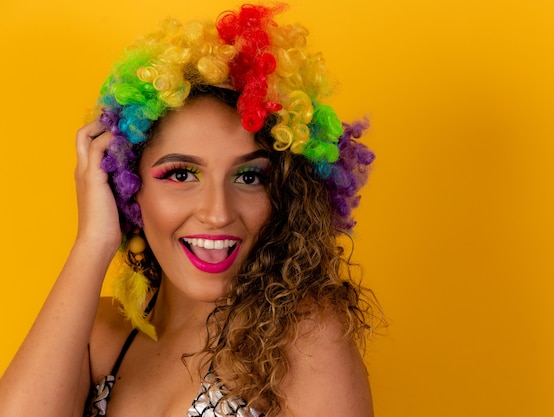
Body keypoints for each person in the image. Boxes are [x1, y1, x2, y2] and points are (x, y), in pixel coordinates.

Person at [0, 3, 378, 417]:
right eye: (181, 175)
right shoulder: (100, 334)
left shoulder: (305, 340)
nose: (217, 213)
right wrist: (93, 241)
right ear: (128, 187)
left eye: (249, 177)